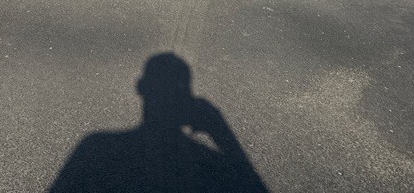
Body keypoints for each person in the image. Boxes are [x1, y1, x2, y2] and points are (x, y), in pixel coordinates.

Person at [49, 53, 269, 192]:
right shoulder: (210, 166)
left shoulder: (97, 148)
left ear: (140, 87)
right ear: (188, 101)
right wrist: (222, 133)